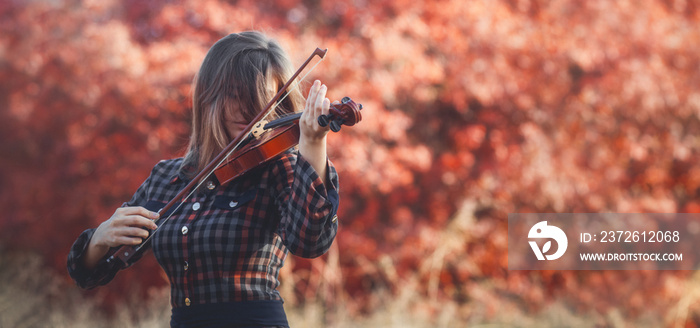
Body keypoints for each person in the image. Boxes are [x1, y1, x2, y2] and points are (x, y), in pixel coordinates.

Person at [67, 31, 339, 328]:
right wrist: (100, 238)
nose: (248, 110)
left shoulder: (281, 168)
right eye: (235, 94)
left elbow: (310, 242)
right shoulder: (166, 178)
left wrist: (313, 144)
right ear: (208, 95)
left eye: (260, 97)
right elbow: (90, 273)